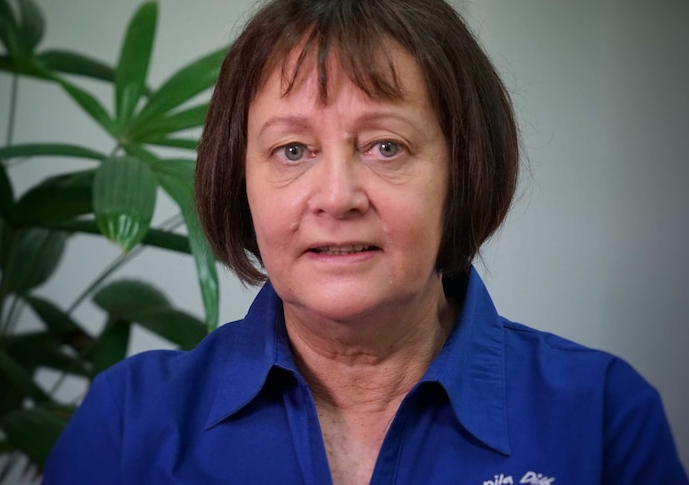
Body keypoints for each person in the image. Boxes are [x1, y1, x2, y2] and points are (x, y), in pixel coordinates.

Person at [43, 0, 688, 483]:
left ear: (463, 171)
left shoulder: (602, 417)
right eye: (291, 150)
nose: (337, 196)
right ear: (238, 181)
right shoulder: (128, 423)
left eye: (386, 146)